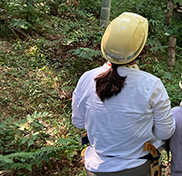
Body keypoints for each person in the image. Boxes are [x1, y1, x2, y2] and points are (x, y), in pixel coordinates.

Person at [72, 12, 175, 176]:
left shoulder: (86, 79)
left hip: (96, 167)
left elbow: (78, 122)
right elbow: (165, 132)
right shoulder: (151, 84)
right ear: (139, 50)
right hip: (138, 167)